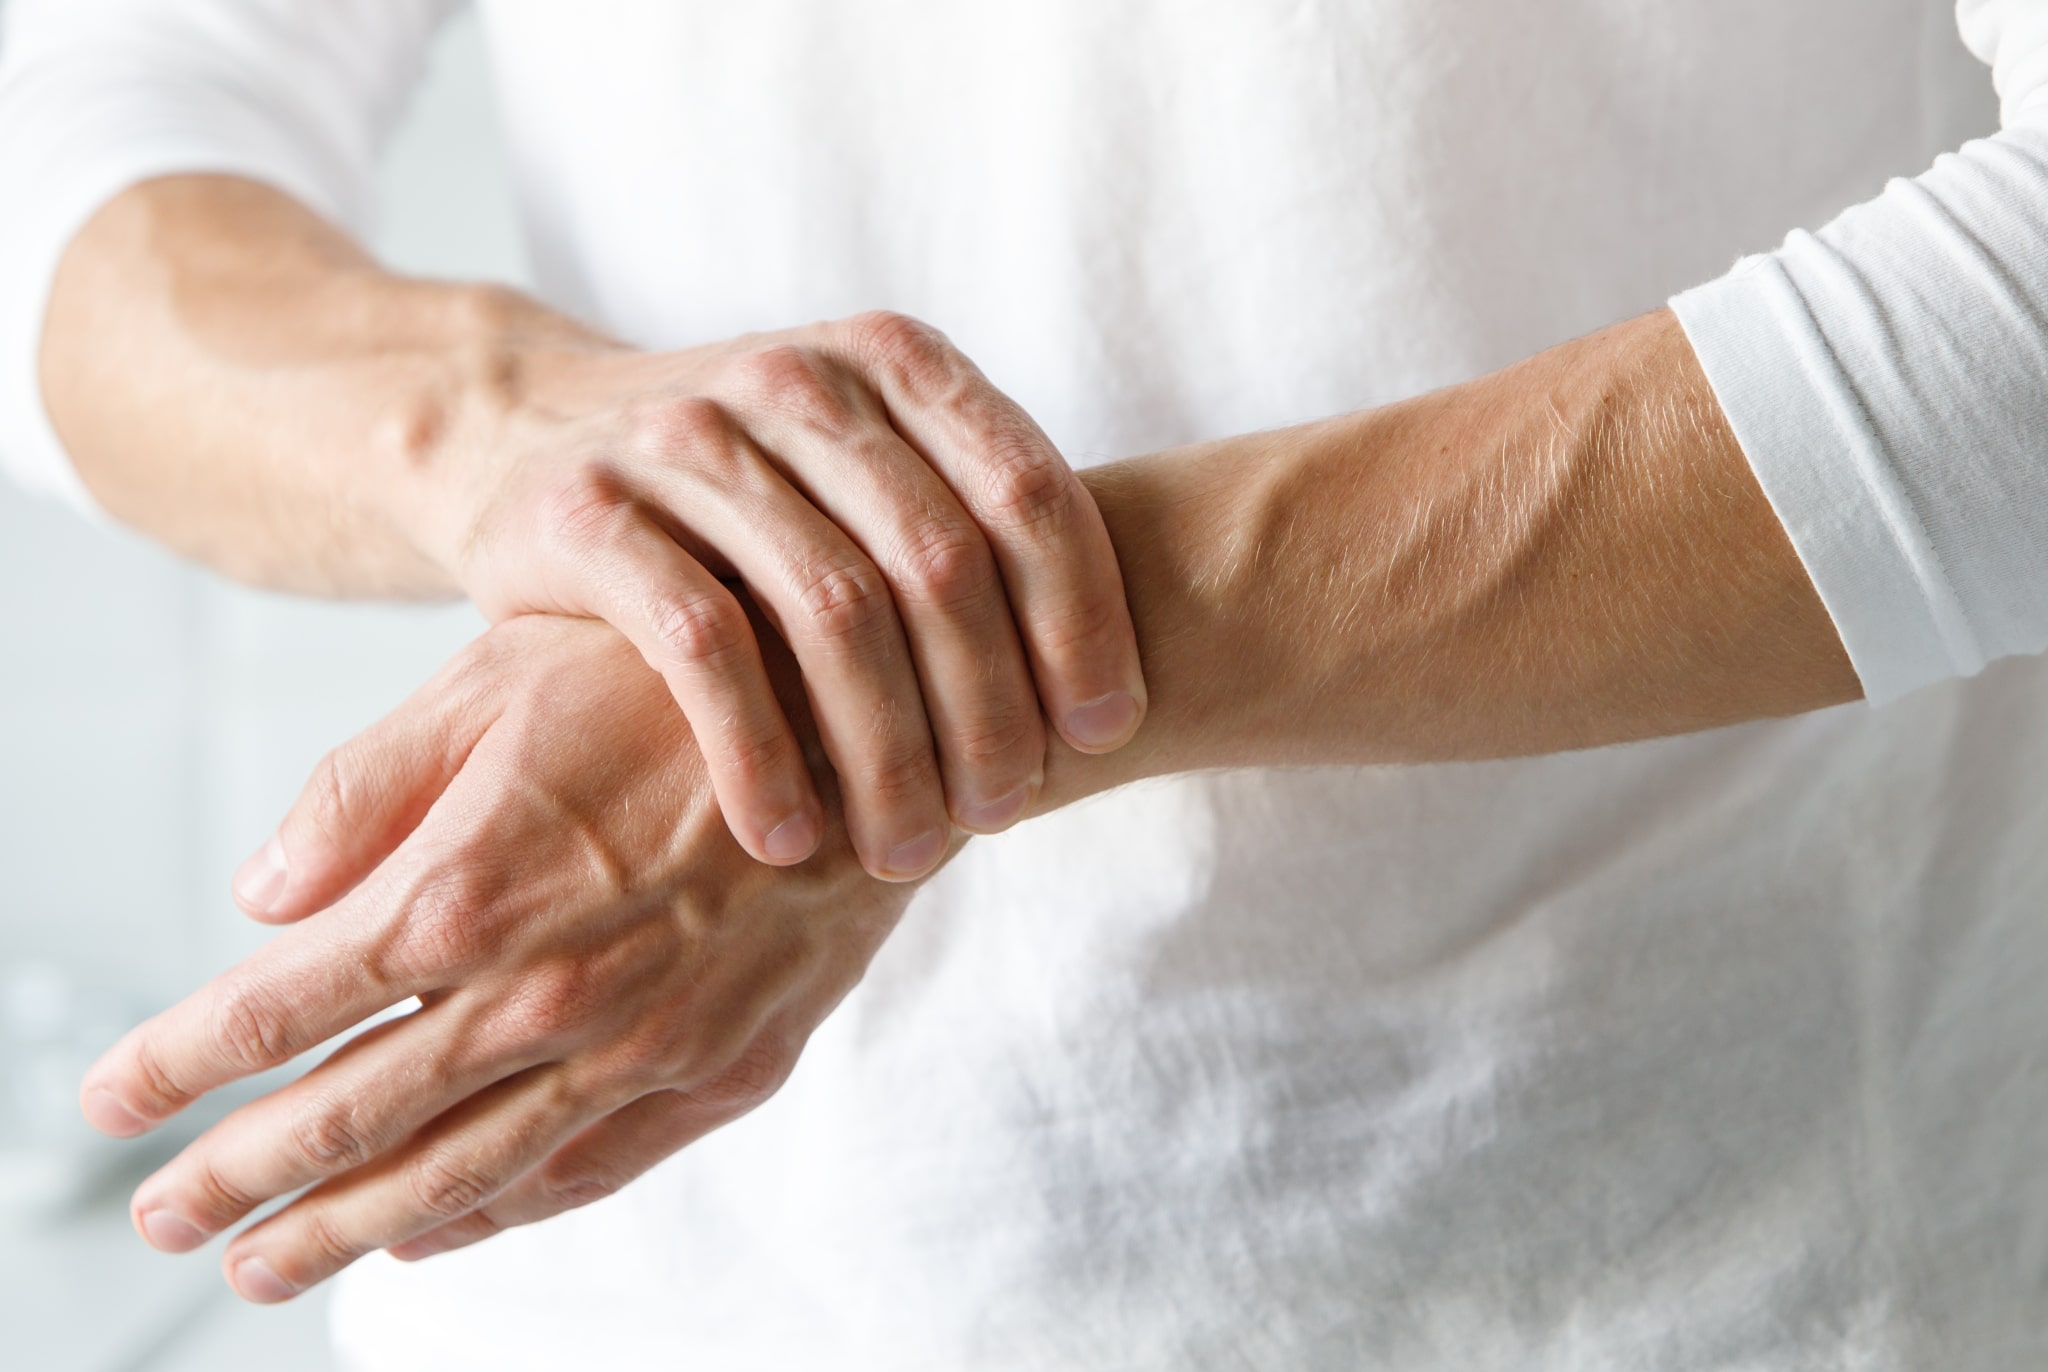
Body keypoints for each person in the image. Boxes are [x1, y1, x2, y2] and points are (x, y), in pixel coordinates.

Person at [3, 0, 2045, 1365]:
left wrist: (869, 663)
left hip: (1691, 1263)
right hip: (643, 1293)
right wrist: (509, 437)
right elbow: (79, 121)